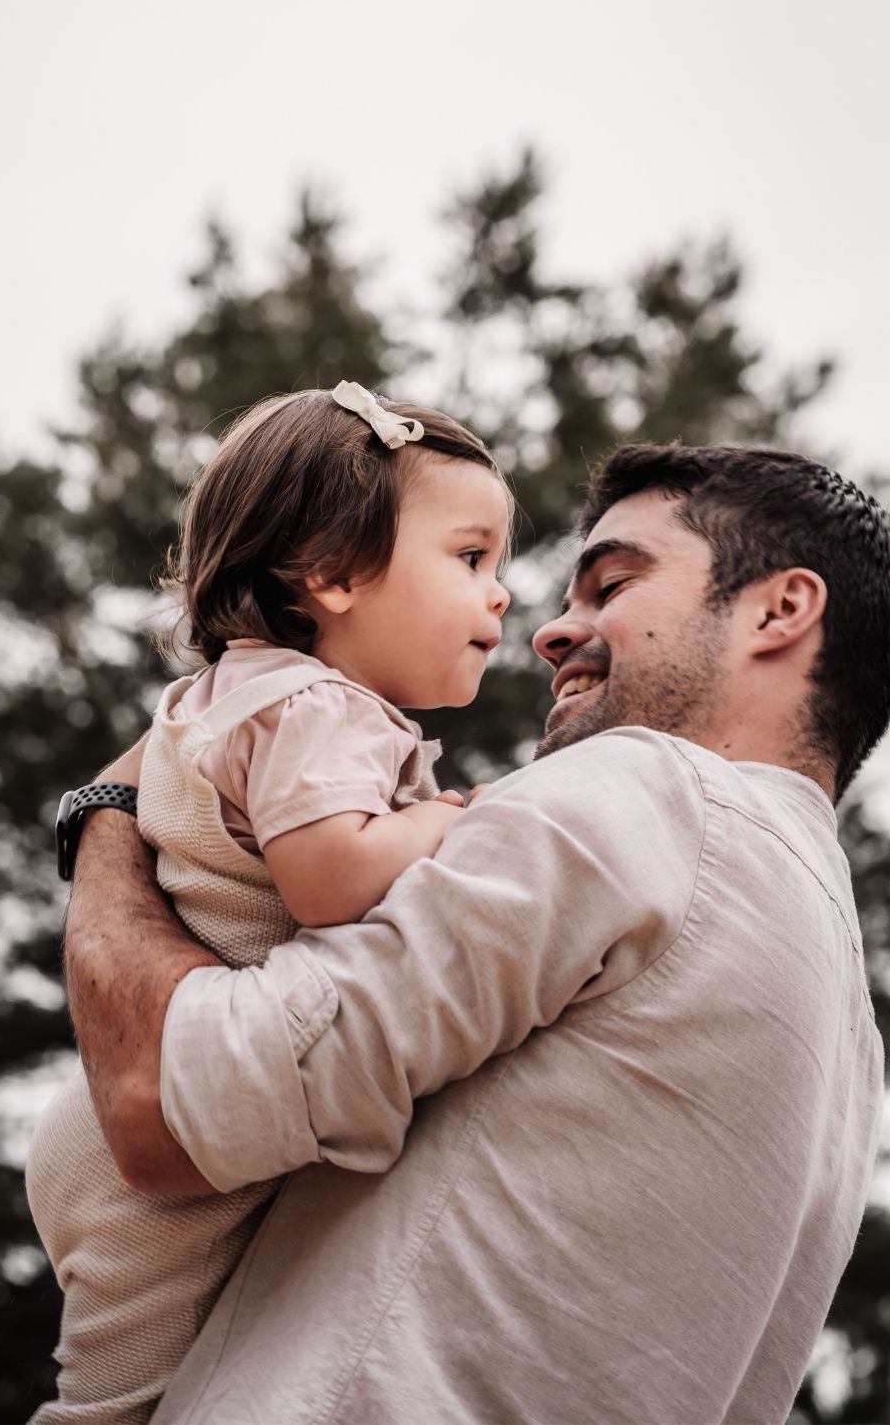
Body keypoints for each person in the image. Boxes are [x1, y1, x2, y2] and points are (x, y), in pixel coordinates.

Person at [64, 443, 890, 1424]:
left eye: (614, 582)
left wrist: (113, 807)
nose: (549, 629)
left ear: (780, 609)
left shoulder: (651, 790)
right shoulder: (850, 1036)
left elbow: (169, 1106)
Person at [25, 382, 513, 1423]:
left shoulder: (229, 692)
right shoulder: (323, 709)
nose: (503, 592)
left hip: (128, 1112)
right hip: (163, 1155)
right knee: (113, 1405)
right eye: (471, 558)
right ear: (333, 571)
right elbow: (330, 880)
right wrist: (445, 823)